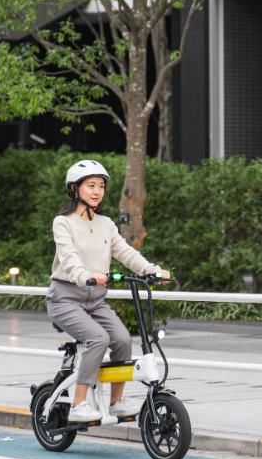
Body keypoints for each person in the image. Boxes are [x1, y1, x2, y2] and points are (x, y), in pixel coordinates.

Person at [47, 160, 170, 422]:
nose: (97, 191)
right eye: (90, 185)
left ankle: (116, 401)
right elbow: (68, 257)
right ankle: (79, 403)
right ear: (74, 188)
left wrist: (152, 271)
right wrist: (84, 276)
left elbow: (125, 252)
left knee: (123, 339)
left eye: (101, 186)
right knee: (98, 339)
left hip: (96, 301)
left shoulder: (106, 224)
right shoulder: (63, 222)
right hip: (65, 299)